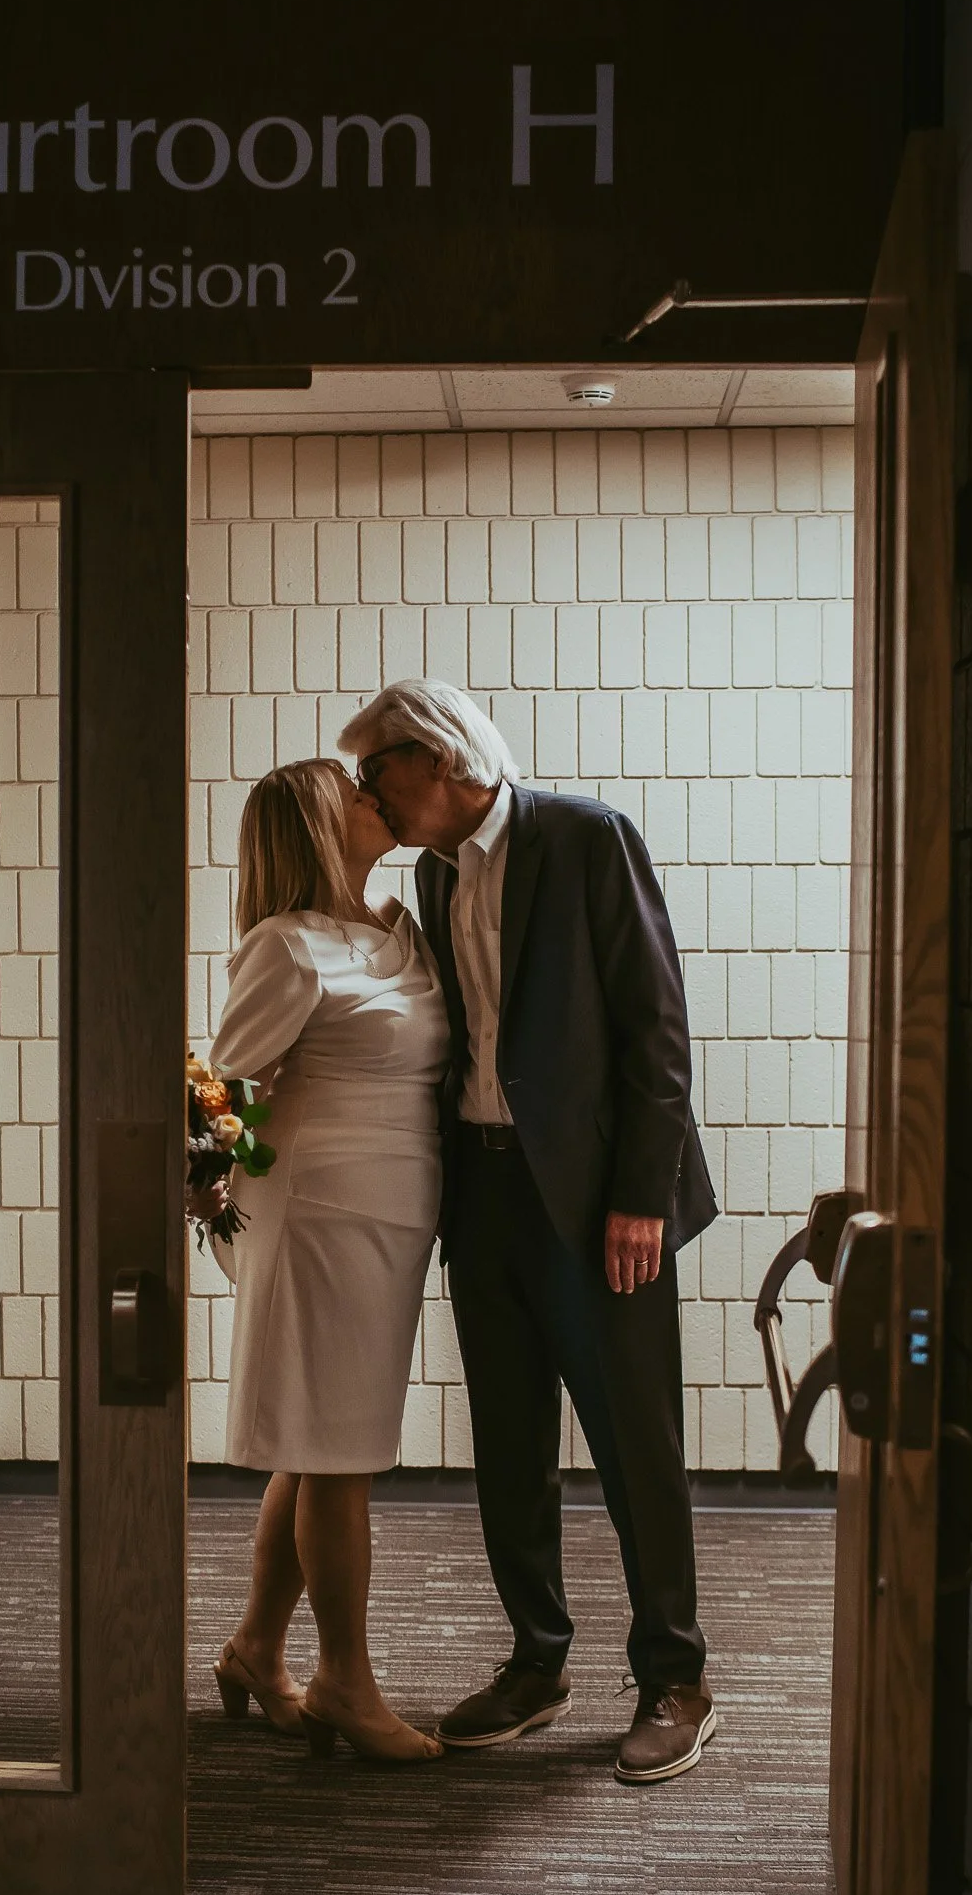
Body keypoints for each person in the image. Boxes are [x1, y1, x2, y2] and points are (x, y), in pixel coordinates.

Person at [338, 680, 720, 1784]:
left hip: (598, 1198)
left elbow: (656, 1030)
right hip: (487, 1192)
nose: (373, 792)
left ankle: (675, 1675)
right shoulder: (432, 867)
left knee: (632, 1443)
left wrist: (640, 1196)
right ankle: (536, 1659)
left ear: (447, 760)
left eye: (384, 771)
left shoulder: (587, 839)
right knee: (509, 1442)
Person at [200, 758, 449, 1764]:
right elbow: (217, 1091)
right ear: (312, 821)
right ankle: (345, 1683)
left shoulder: (397, 925)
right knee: (341, 1455)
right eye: (349, 789)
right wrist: (209, 1198)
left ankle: (257, 1649)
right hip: (314, 1217)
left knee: (321, 1443)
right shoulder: (285, 946)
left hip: (389, 1214)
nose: (370, 795)